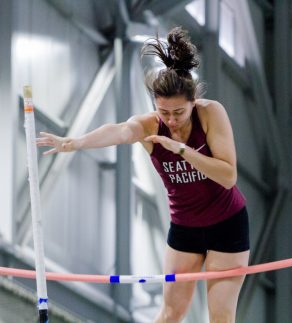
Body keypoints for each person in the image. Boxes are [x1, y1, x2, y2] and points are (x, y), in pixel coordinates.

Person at [36, 27, 250, 323]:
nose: (171, 120)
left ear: (193, 103)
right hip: (185, 228)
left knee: (221, 317)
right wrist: (76, 142)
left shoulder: (211, 114)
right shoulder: (150, 127)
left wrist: (183, 151)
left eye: (179, 113)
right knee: (171, 313)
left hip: (227, 225)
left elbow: (228, 176)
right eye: (164, 112)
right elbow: (120, 131)